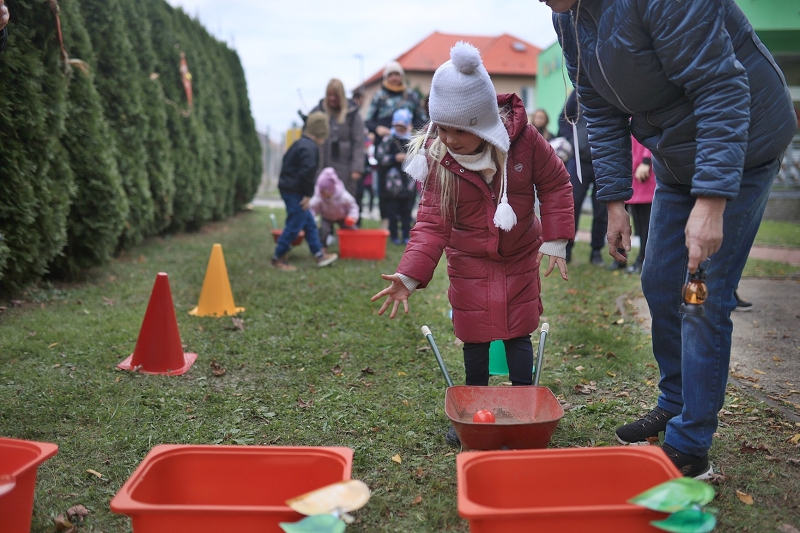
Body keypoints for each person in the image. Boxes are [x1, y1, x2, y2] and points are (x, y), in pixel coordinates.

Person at [550, 0, 796, 478]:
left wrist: (711, 202)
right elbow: (597, 106)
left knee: (700, 296)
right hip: (677, 155)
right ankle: (676, 402)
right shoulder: (568, 15)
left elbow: (721, 88)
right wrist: (616, 200)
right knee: (660, 282)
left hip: (742, 146)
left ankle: (690, 444)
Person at [370, 42, 574, 446]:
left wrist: (555, 238)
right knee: (475, 334)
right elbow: (430, 224)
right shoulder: (438, 157)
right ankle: (473, 407)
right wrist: (410, 275)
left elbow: (555, 183)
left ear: (481, 123)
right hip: (468, 259)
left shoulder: (525, 142)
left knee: (519, 332)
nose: (448, 139)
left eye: (458, 130)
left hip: (517, 255)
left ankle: (523, 405)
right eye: (441, 128)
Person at [272, 111, 339, 272]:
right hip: (296, 191)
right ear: (321, 133)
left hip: (289, 187)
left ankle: (319, 254)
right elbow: (306, 173)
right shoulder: (310, 149)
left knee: (308, 222)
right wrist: (307, 195)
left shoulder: (299, 143)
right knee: (295, 223)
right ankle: (278, 257)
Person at [364, 61, 426, 227]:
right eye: (391, 74)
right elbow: (368, 121)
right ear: (386, 77)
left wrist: (414, 129)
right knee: (384, 184)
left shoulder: (411, 96)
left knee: (410, 182)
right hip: (387, 145)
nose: (394, 78)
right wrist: (378, 128)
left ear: (401, 77)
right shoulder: (379, 96)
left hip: (407, 144)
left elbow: (422, 120)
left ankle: (406, 220)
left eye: (397, 74)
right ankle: (387, 221)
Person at [558, 90, 607, 266]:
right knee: (573, 204)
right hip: (579, 161)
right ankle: (568, 249)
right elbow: (563, 118)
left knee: (601, 209)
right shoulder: (578, 92)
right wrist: (573, 139)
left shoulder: (609, 88)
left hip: (604, 161)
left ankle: (596, 251)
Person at [309, 79, 365, 198]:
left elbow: (359, 141)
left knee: (344, 199)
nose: (332, 98)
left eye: (336, 95)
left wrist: (357, 167)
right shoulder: (317, 112)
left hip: (345, 167)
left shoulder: (352, 113)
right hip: (322, 165)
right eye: (330, 95)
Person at [376, 109, 416, 245]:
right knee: (392, 212)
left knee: (407, 212)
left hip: (409, 184)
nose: (400, 129)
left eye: (403, 126)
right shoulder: (388, 140)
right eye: (397, 126)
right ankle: (393, 235)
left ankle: (406, 235)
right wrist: (394, 158)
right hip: (392, 186)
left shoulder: (413, 141)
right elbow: (380, 158)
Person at [309, 167, 359, 255]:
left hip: (342, 217)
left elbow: (353, 206)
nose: (322, 193)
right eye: (321, 191)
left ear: (331, 189)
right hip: (327, 217)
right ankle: (322, 248)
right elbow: (313, 208)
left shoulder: (343, 196)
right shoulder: (319, 197)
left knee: (351, 229)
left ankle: (353, 246)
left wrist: (352, 217)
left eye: (324, 191)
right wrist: (310, 219)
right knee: (323, 231)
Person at [625, 136, 656, 274]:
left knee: (646, 224)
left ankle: (644, 260)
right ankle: (639, 259)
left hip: (645, 172)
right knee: (638, 224)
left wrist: (646, 161)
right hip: (632, 173)